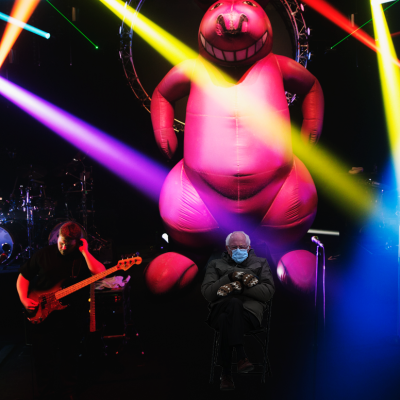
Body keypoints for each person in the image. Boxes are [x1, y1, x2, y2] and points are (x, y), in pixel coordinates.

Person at [16, 222, 106, 400]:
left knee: (69, 358)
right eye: (61, 242)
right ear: (57, 237)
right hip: (43, 316)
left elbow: (100, 274)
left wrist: (85, 252)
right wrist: (24, 299)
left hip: (71, 318)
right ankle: (46, 393)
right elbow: (23, 277)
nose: (64, 247)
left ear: (78, 242)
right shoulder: (44, 254)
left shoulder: (82, 257)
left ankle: (68, 392)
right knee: (43, 359)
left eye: (68, 245)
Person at [201, 231, 275, 391]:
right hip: (219, 310)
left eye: (242, 247)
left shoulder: (261, 263)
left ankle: (226, 375)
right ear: (227, 249)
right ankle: (241, 355)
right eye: (234, 247)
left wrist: (238, 287)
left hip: (249, 316)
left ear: (249, 247)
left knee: (225, 318)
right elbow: (208, 293)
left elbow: (267, 292)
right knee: (231, 306)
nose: (238, 250)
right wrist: (230, 277)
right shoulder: (215, 264)